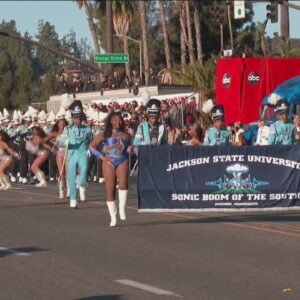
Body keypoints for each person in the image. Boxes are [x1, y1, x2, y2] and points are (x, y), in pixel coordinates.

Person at [89, 112, 131, 227]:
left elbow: (129, 147)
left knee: (123, 184)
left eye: (120, 120)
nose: (118, 122)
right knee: (110, 190)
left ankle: (122, 208)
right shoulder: (105, 134)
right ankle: (113, 216)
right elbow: (91, 146)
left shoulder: (126, 135)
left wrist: (131, 149)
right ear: (111, 122)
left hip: (122, 160)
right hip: (109, 162)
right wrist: (102, 156)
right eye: (115, 120)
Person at [59, 100, 92, 208]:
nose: (78, 120)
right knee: (71, 177)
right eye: (76, 118)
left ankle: (82, 186)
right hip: (71, 154)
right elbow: (61, 141)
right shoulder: (67, 129)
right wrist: (65, 141)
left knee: (84, 171)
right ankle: (73, 199)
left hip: (82, 153)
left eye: (80, 118)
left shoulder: (87, 129)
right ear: (73, 118)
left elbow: (90, 140)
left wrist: (89, 148)